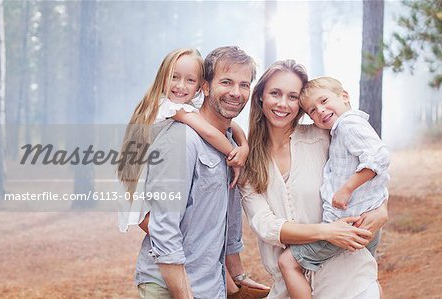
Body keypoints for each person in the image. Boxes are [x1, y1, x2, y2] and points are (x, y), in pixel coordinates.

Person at [240, 60, 389, 298]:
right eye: (275, 93)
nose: (282, 104)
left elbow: (369, 164)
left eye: (292, 96)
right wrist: (326, 232)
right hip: (288, 286)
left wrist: (381, 209)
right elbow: (266, 226)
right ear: (260, 97)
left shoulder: (324, 136)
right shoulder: (249, 161)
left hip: (345, 276)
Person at [132, 46, 268, 299]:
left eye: (244, 84)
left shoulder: (230, 143)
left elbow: (224, 219)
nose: (236, 93)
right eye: (226, 82)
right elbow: (163, 229)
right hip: (170, 286)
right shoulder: (182, 140)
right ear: (205, 87)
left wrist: (236, 276)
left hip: (209, 284)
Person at [277, 76, 390, 298]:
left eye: (324, 100)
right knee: (364, 275)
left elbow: (379, 157)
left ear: (344, 96)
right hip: (360, 217)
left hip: (350, 221)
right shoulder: (339, 130)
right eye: (311, 110)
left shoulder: (348, 124)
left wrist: (347, 188)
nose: (319, 110)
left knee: (288, 262)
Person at [118, 48, 249, 234]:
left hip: (152, 175)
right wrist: (233, 156)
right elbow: (209, 132)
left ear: (199, 87)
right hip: (143, 180)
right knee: (166, 234)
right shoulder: (167, 106)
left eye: (190, 80)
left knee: (173, 234)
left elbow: (233, 126)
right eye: (174, 77)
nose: (181, 86)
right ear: (162, 77)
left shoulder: (184, 106)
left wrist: (244, 146)